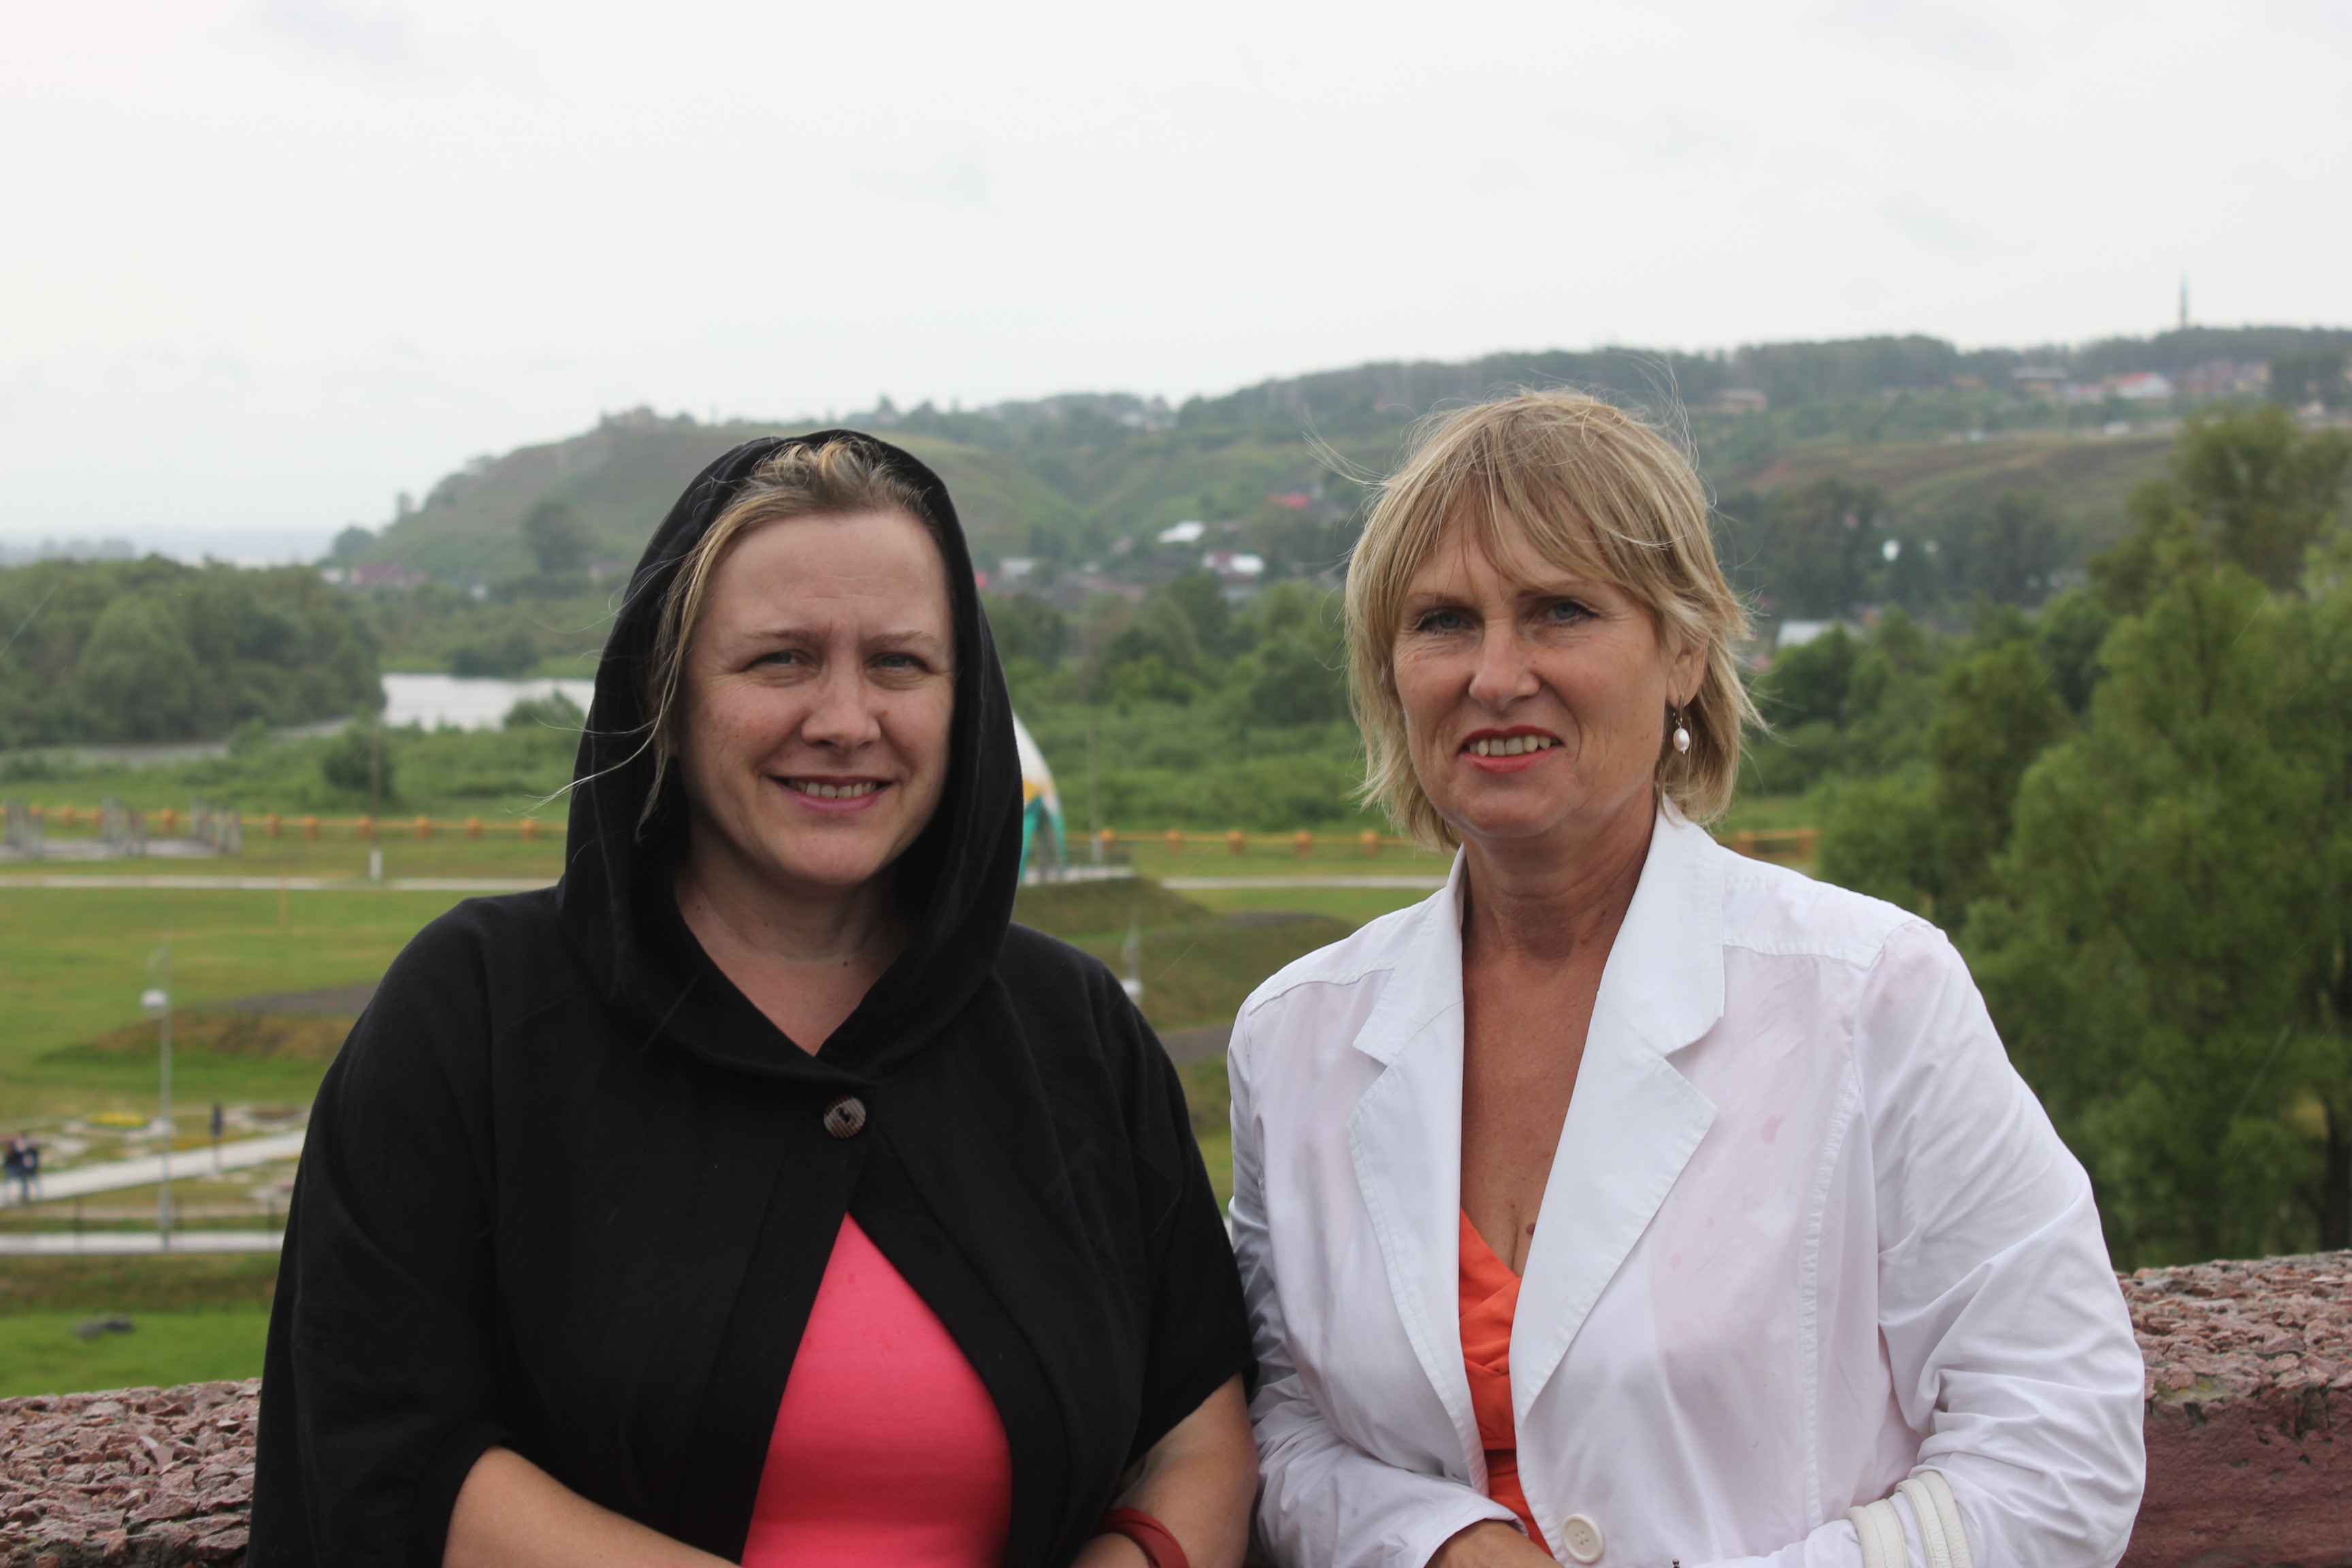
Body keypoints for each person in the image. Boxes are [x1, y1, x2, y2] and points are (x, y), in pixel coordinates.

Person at [252, 432, 1258, 1568]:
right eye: (781, 660)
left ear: (964, 700)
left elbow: (1200, 1437)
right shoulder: (475, 1015)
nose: (844, 719)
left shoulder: (1072, 1029)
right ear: (667, 694)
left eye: (900, 663)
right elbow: (386, 1446)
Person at [1229, 392, 2145, 1568]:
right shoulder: (1291, 1041)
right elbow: (1282, 1420)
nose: (1496, 675)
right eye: (1444, 622)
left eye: (1561, 610)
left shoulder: (1874, 996)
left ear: (1685, 652)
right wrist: (1437, 1544)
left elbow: (2062, 1436)